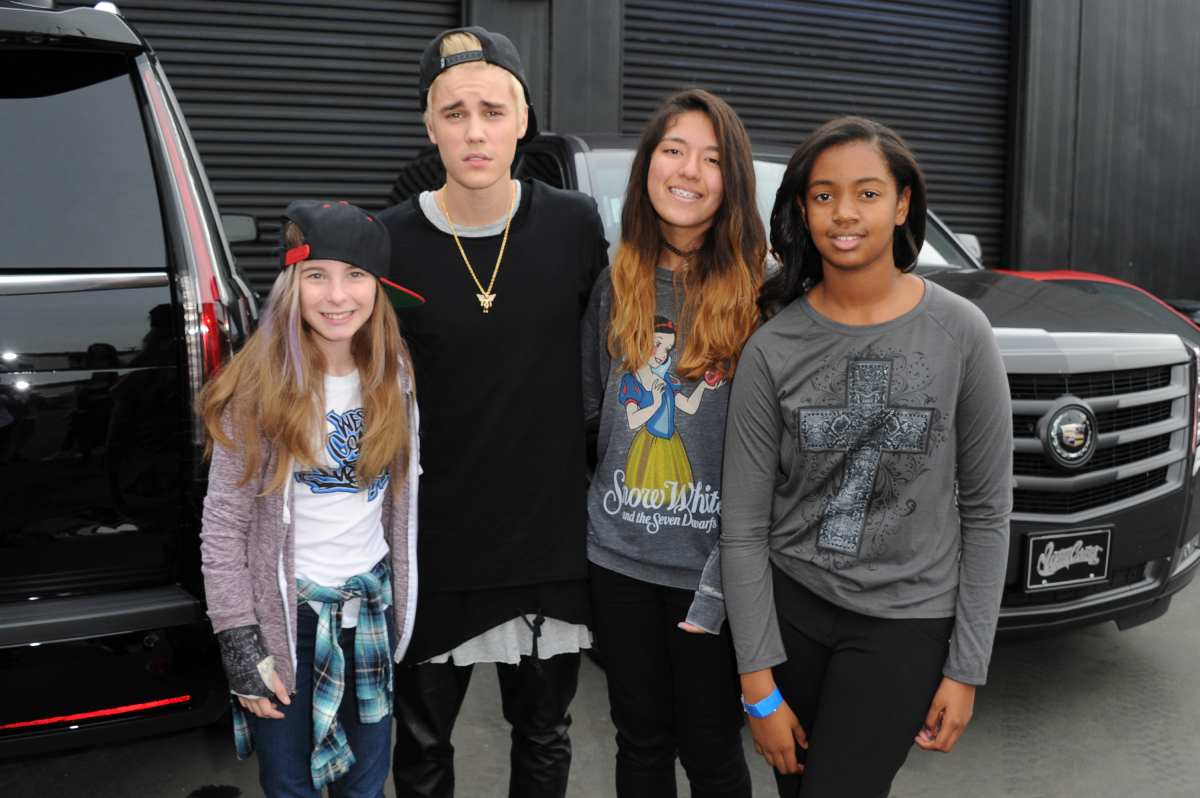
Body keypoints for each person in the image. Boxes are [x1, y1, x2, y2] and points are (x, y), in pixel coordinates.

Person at [720, 116, 1012, 797]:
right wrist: (758, 687)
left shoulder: (961, 334)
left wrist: (967, 668)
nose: (843, 213)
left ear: (903, 202)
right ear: (802, 208)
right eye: (823, 195)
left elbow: (989, 512)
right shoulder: (772, 348)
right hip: (792, 615)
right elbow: (743, 528)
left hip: (906, 625)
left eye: (867, 193)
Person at [378, 26, 608, 798]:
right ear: (427, 125)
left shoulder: (576, 226)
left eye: (492, 109)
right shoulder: (390, 241)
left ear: (523, 119)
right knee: (420, 749)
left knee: (543, 736)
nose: (474, 130)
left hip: (547, 540)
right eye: (453, 112)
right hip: (433, 542)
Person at [199, 199, 424, 797]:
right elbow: (223, 527)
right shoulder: (257, 387)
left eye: (356, 276)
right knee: (289, 783)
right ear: (290, 285)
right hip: (286, 622)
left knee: (366, 784)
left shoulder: (393, 374)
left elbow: (401, 504)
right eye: (316, 275)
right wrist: (240, 641)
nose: (336, 295)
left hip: (367, 614)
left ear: (379, 289)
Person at [581, 88, 764, 798]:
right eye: (673, 149)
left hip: (710, 573)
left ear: (733, 181)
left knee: (712, 751)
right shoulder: (615, 281)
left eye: (712, 158)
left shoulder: (763, 296)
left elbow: (769, 463)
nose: (688, 170)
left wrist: (725, 583)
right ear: (648, 166)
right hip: (617, 561)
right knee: (640, 742)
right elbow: (594, 418)